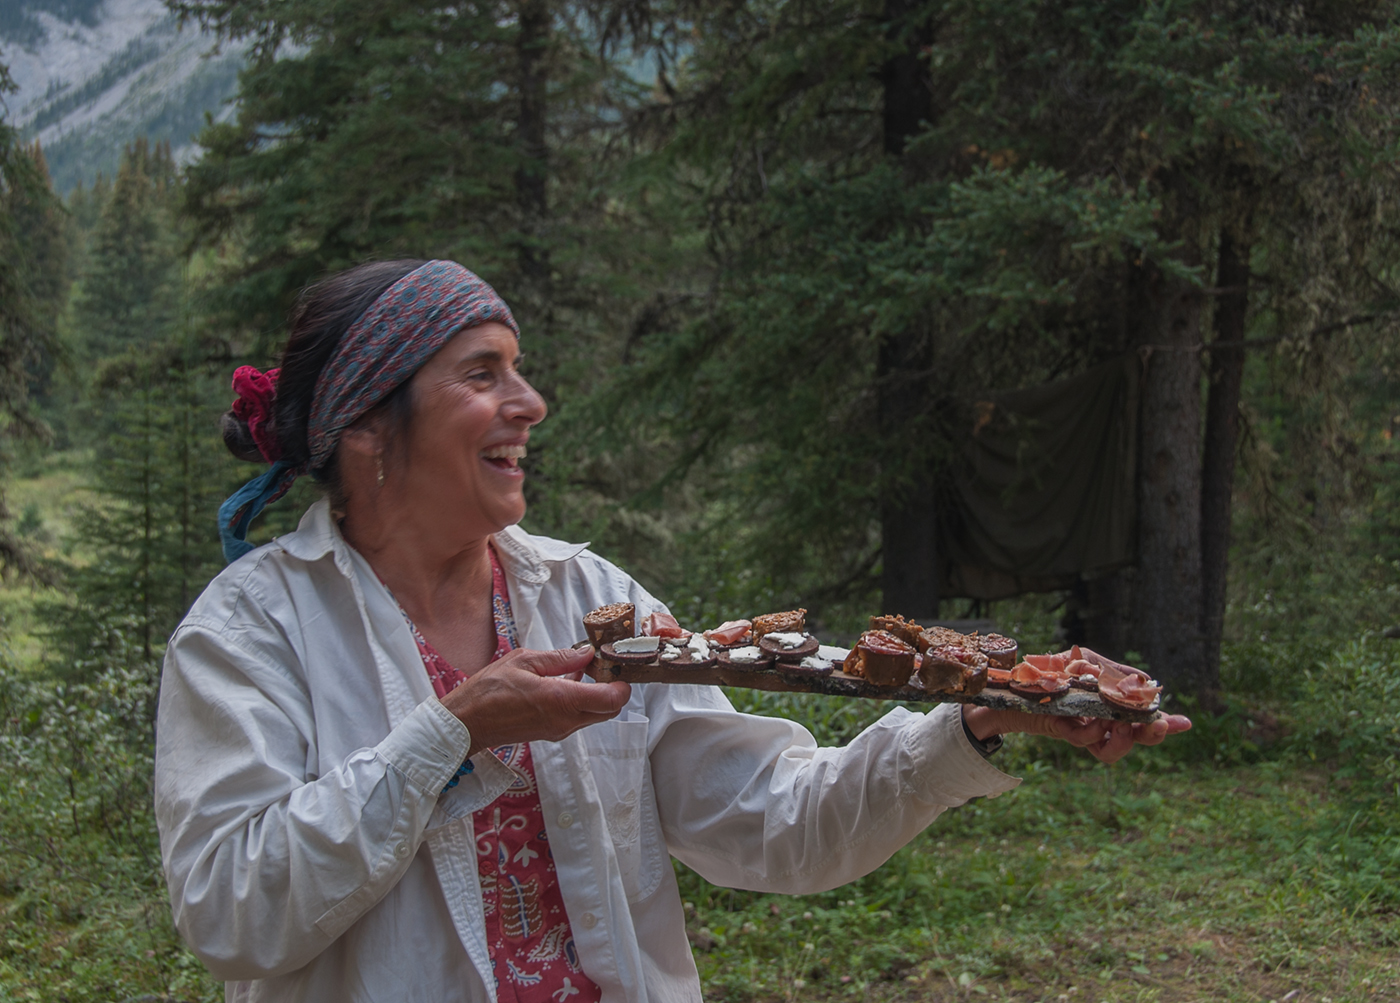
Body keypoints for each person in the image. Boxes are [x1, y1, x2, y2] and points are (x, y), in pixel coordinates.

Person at [154, 259, 1191, 1003]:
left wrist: (973, 728)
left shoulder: (583, 594)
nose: (531, 401)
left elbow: (772, 821)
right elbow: (231, 913)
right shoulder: (251, 634)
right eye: (482, 374)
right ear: (368, 428)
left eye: (518, 368)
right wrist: (451, 731)